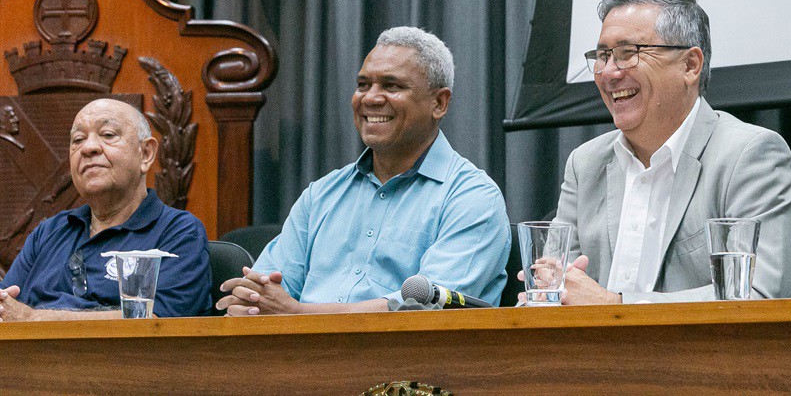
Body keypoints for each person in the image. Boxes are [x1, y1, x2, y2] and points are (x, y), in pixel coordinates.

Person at [216, 27, 510, 314]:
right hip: (297, 358)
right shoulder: (322, 195)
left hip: (412, 361)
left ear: (439, 103)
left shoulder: (472, 198)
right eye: (363, 84)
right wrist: (251, 302)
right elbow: (267, 292)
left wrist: (299, 315)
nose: (370, 98)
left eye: (392, 85)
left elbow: (425, 310)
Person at [551, 0, 791, 303]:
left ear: (690, 66)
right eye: (603, 56)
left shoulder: (750, 155)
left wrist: (616, 306)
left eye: (628, 53)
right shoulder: (585, 163)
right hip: (591, 353)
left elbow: (759, 294)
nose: (609, 73)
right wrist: (544, 291)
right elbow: (558, 286)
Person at [0, 99, 211, 320]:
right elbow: (7, 308)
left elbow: (156, 324)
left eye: (108, 135)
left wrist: (34, 319)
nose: (88, 148)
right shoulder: (49, 231)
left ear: (146, 154)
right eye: (78, 140)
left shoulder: (178, 232)